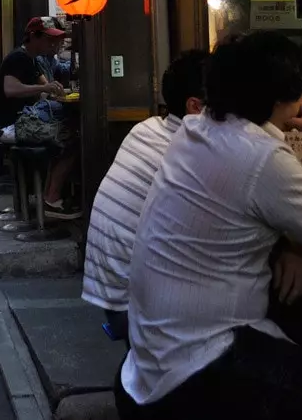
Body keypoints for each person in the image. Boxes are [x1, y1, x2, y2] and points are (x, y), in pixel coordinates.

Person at [117, 31, 302, 420]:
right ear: (282, 96)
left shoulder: (198, 129)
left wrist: (297, 244)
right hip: (201, 362)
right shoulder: (261, 155)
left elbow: (247, 205)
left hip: (151, 355)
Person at [83, 50, 211, 344]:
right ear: (195, 106)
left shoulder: (146, 129)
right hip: (135, 304)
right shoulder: (192, 153)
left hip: (110, 294)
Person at [0, 17, 78, 220]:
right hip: (15, 124)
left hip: (27, 121)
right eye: (49, 39)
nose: (53, 44)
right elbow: (10, 89)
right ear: (33, 37)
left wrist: (53, 89)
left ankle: (48, 198)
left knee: (68, 133)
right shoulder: (18, 57)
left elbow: (47, 86)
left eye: (55, 40)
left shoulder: (32, 58)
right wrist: (45, 88)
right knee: (71, 141)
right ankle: (51, 198)